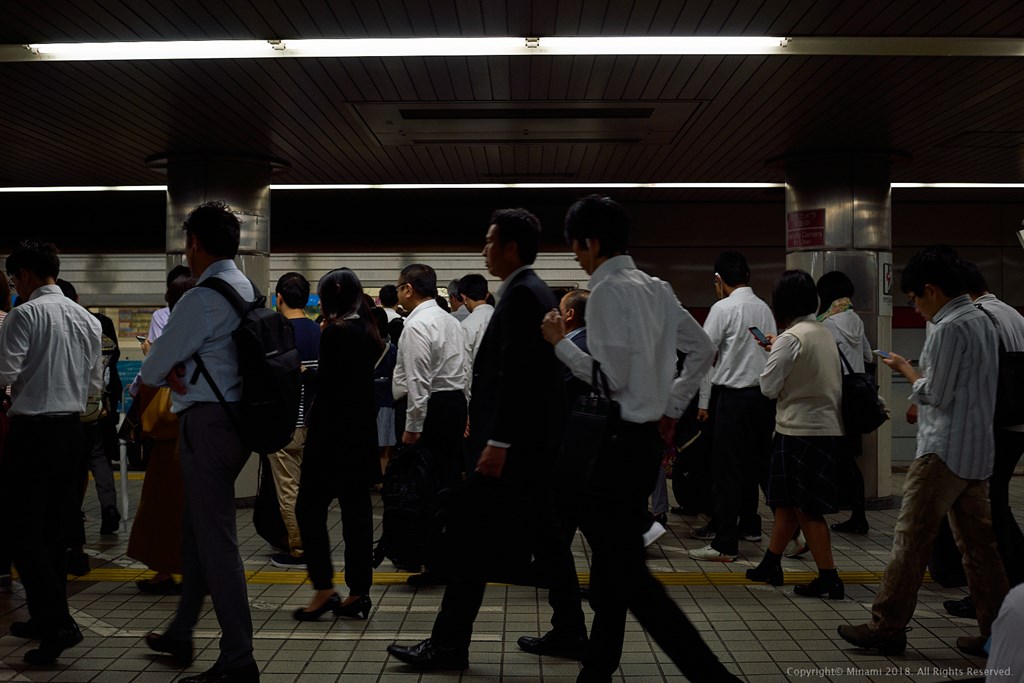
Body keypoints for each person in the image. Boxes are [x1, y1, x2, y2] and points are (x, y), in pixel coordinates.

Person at [540, 195, 737, 683]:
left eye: (576, 248)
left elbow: (609, 377)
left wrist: (558, 344)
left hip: (610, 446)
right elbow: (702, 349)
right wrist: (671, 407)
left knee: (630, 577)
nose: (577, 257)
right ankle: (598, 668)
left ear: (591, 242)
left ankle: (711, 676)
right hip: (643, 443)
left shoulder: (604, 291)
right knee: (612, 571)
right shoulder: (656, 287)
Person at [388, 208, 587, 669]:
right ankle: (570, 632)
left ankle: (449, 645)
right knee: (550, 540)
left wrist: (498, 443)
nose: (483, 249)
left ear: (510, 247)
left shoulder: (521, 294)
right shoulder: (525, 290)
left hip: (514, 451)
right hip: (531, 449)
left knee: (469, 540)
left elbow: (521, 377)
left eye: (489, 240)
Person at [838, 246, 1008, 657]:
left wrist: (907, 371)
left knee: (910, 540)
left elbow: (936, 393)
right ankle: (1001, 635)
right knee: (980, 551)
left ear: (932, 290)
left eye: (914, 298)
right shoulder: (983, 320)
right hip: (976, 450)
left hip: (942, 452)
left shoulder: (949, 328)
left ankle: (887, 626)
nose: (914, 308)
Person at [140, 201, 260, 683]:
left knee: (218, 545)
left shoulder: (200, 297)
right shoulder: (247, 288)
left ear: (195, 244)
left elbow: (150, 369)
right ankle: (182, 631)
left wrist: (171, 366)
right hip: (237, 424)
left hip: (206, 427)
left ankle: (238, 660)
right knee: (197, 533)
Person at [0, 239, 103, 665]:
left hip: (32, 433)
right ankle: (46, 618)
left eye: (13, 279)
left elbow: (4, 373)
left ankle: (59, 623)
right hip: (72, 434)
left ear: (24, 274)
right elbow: (94, 384)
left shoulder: (25, 314)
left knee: (22, 533)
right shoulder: (87, 318)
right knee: (55, 534)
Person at [744, 270, 845, 600]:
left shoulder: (790, 338)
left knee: (806, 510)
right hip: (825, 428)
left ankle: (829, 578)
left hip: (798, 432)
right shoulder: (822, 332)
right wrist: (779, 349)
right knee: (787, 504)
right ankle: (770, 563)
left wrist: (774, 351)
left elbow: (768, 387)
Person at [293, 268, 381, 622]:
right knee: (357, 517)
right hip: (361, 437)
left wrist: (306, 373)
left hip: (331, 439)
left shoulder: (335, 332)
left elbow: (330, 387)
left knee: (308, 509)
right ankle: (359, 593)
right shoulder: (369, 329)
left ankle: (324, 588)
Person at [943, 260, 1024, 620]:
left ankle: (997, 592)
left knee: (987, 511)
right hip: (1017, 424)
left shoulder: (976, 317)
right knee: (996, 505)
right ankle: (1011, 583)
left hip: (992, 424)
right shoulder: (1013, 314)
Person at [689, 251, 777, 562]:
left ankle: (725, 544)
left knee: (726, 471)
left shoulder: (723, 307)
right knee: (758, 467)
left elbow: (703, 351)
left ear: (718, 279)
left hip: (733, 399)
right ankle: (760, 527)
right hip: (763, 400)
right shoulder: (764, 308)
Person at [392, 263, 467, 585]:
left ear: (408, 288)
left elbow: (418, 380)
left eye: (398, 287)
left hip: (429, 411)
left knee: (423, 487)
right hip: (453, 405)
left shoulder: (416, 325)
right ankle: (447, 558)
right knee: (447, 484)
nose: (398, 293)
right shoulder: (450, 321)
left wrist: (413, 425)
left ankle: (429, 561)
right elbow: (466, 368)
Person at [129, 268, 196, 595]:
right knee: (196, 504)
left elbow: (151, 372)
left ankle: (165, 571)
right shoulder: (210, 326)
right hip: (204, 426)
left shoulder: (171, 328)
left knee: (163, 502)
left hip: (172, 429)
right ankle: (193, 571)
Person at [268, 272, 321, 570]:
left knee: (289, 488)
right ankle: (309, 540)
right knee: (308, 489)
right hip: (314, 422)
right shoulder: (319, 331)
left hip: (285, 424)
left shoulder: (278, 331)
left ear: (279, 297)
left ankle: (299, 548)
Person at [816, 270, 875, 535]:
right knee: (848, 456)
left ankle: (839, 509)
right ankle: (858, 514)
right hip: (856, 395)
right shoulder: (855, 319)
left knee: (836, 455)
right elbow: (867, 355)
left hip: (836, 396)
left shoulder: (827, 323)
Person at [456, 273, 494, 402]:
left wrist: (467, 402)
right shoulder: (504, 318)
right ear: (487, 294)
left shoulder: (466, 326)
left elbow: (465, 368)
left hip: (481, 394)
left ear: (464, 297)